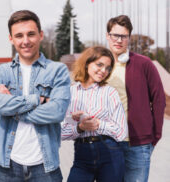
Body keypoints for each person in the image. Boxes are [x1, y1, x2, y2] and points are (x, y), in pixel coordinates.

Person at [0, 10, 71, 182]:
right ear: (11, 39)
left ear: (40, 35)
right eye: (19, 35)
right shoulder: (3, 71)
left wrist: (11, 107)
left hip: (45, 165)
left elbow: (57, 112)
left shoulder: (57, 70)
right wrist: (38, 100)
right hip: (8, 164)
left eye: (31, 34)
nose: (25, 41)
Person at [106, 15, 166, 182]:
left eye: (123, 36)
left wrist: (156, 135)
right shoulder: (100, 65)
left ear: (129, 38)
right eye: (114, 35)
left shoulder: (143, 63)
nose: (118, 40)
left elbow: (159, 99)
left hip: (138, 144)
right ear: (107, 36)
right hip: (108, 142)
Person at [61, 46, 128, 182]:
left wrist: (98, 124)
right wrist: (80, 127)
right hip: (82, 154)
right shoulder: (70, 93)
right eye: (99, 64)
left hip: (110, 153)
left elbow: (121, 132)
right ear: (87, 63)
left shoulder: (110, 93)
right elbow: (60, 132)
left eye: (108, 68)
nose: (103, 71)